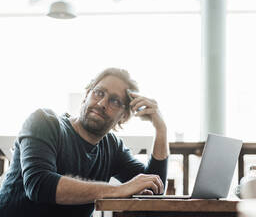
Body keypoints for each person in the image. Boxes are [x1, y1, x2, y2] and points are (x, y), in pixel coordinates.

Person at [0, 68, 169, 217]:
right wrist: (119, 190)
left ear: (123, 116)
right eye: (99, 93)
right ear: (86, 95)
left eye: (115, 101)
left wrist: (161, 129)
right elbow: (40, 186)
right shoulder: (44, 121)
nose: (102, 103)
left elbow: (154, 187)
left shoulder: (112, 147)